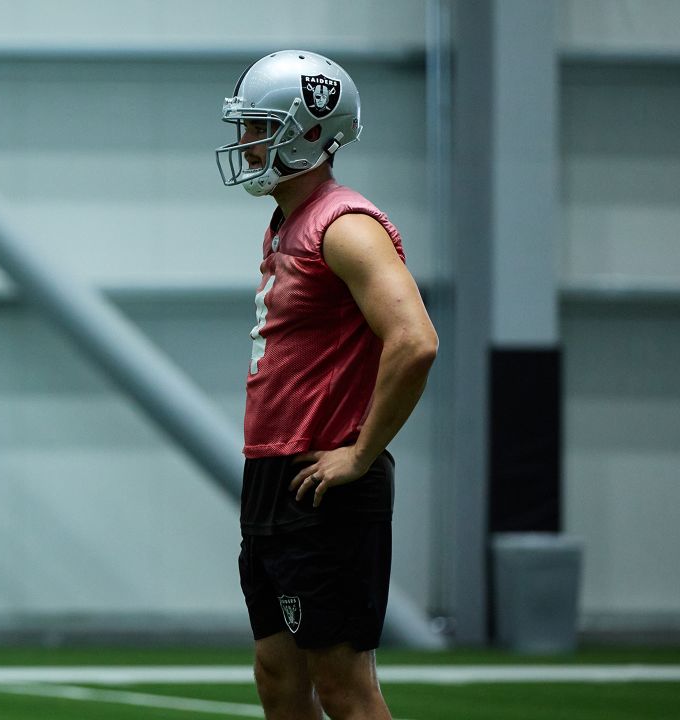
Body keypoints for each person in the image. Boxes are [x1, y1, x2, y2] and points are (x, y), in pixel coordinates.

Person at [215, 50, 439, 720]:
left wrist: (360, 453)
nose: (246, 141)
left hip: (326, 477)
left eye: (258, 125)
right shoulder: (290, 220)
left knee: (343, 683)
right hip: (277, 473)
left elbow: (415, 340)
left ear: (307, 131)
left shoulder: (346, 226)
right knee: (277, 675)